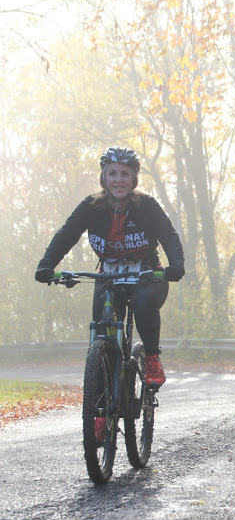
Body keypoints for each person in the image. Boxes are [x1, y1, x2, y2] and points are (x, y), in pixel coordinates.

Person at [35, 145, 185, 397]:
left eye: (125, 174)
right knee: (101, 333)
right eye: (112, 173)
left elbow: (168, 235)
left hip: (147, 274)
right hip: (108, 275)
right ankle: (102, 407)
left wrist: (176, 266)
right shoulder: (91, 206)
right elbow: (67, 235)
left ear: (134, 178)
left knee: (143, 301)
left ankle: (151, 358)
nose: (118, 180)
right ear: (104, 176)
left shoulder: (146, 206)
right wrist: (47, 265)